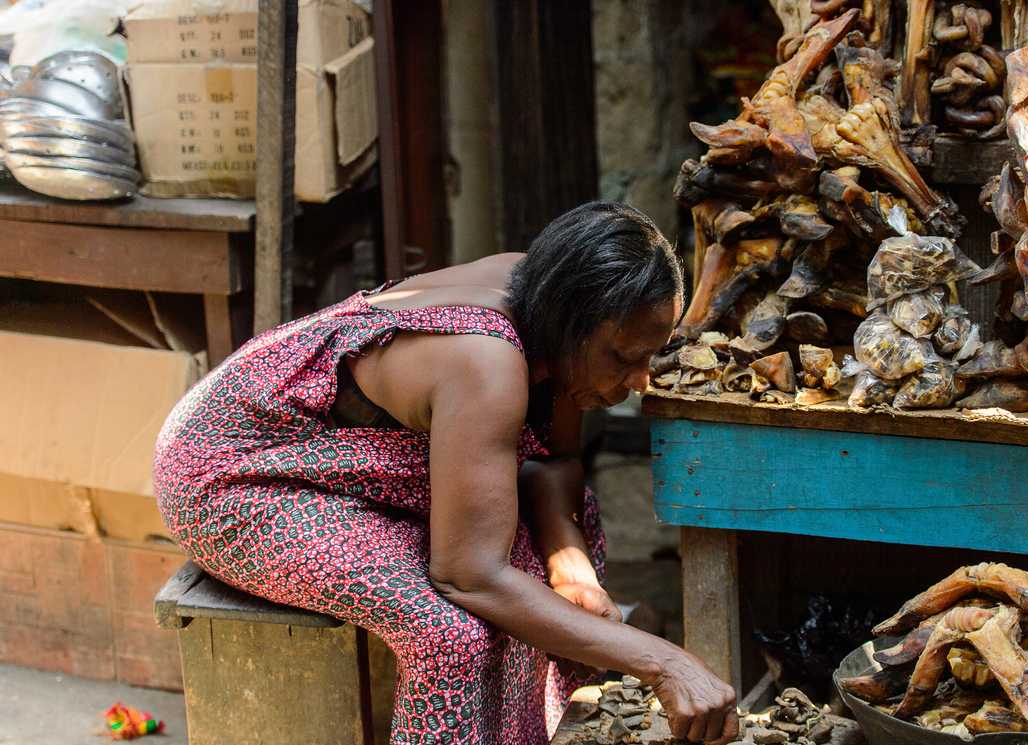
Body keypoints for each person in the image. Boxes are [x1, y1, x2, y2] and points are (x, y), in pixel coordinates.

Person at [153, 202, 738, 744]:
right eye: (624, 358)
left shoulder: (555, 304)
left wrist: (571, 566)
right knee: (450, 633)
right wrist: (664, 662)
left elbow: (552, 462)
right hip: (234, 472)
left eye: (649, 357)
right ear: (572, 322)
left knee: (552, 547)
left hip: (339, 460)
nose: (639, 382)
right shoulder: (486, 359)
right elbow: (470, 576)